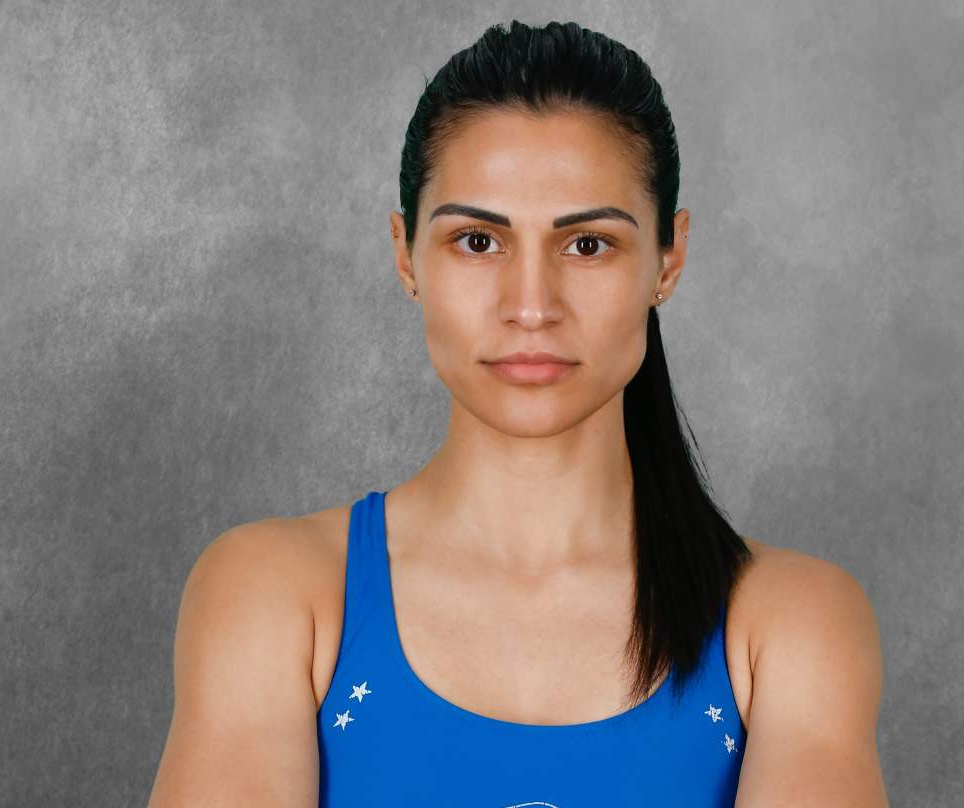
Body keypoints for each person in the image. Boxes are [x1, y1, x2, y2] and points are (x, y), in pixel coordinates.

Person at [148, 20, 888, 807]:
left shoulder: (792, 623)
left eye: (588, 245)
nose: (531, 307)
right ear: (404, 254)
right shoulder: (274, 593)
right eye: (477, 241)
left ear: (668, 259)